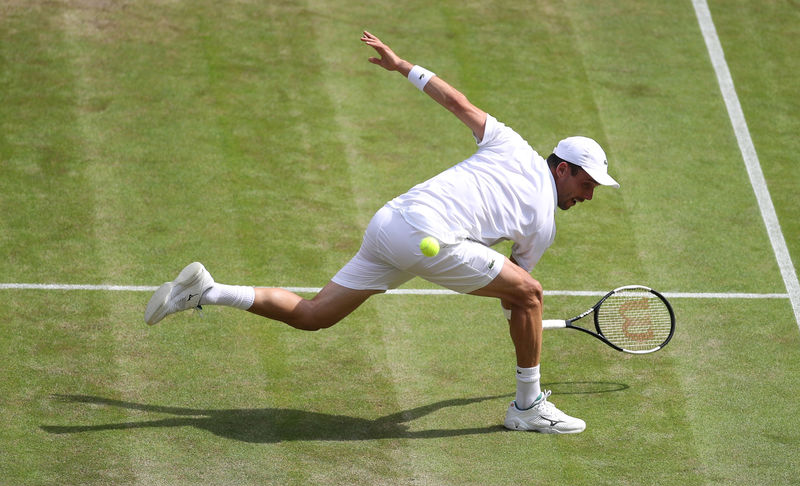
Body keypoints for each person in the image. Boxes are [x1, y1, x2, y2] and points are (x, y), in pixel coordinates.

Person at [144, 31, 619, 434]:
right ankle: (527, 408)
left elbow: (457, 103)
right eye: (585, 182)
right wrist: (526, 317)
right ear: (561, 167)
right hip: (427, 237)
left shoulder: (510, 143)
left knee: (314, 315)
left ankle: (208, 290)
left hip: (390, 221)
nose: (589, 195)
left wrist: (402, 65)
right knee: (531, 293)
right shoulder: (543, 222)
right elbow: (520, 293)